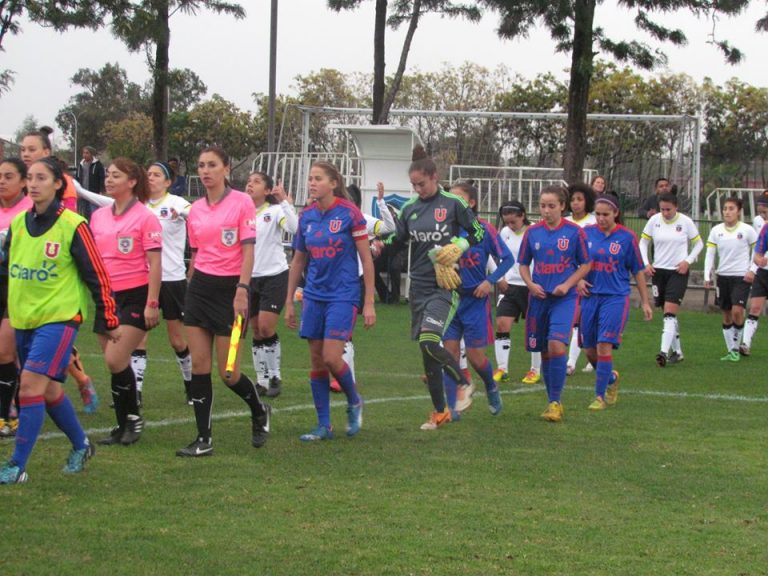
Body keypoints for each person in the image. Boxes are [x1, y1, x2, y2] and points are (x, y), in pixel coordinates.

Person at [0, 157, 119, 484]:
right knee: (49, 391)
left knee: (28, 387)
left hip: (59, 318)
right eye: (31, 178)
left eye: (42, 178)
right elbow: (7, 270)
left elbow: (97, 275)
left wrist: (108, 316)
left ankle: (16, 466)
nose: (34, 183)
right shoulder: (20, 226)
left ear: (57, 184)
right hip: (24, 319)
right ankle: (82, 445)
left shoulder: (74, 225)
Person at [177, 146, 271, 457]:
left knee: (228, 371)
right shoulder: (196, 209)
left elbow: (248, 250)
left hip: (232, 292)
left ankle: (259, 411)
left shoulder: (242, 203)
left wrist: (243, 290)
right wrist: (189, 286)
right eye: (201, 165)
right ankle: (203, 439)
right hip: (200, 290)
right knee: (199, 368)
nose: (205, 171)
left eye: (212, 165)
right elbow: (198, 253)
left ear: (226, 168)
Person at [385, 147, 484, 430]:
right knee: (427, 351)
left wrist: (460, 245)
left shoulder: (453, 203)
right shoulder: (410, 208)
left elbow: (477, 231)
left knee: (430, 341)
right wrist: (379, 246)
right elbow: (398, 240)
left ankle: (464, 384)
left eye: (422, 184)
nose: (418, 189)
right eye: (413, 185)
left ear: (434, 177)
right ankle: (440, 411)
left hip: (444, 284)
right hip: (418, 285)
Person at [284, 162, 375, 441]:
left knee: (332, 357)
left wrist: (369, 301)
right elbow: (298, 260)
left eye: (318, 178)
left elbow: (366, 259)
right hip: (313, 295)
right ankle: (324, 425)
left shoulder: (350, 213)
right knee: (316, 360)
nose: (312, 183)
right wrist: (289, 300)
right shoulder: (307, 216)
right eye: (310, 178)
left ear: (333, 183)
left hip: (343, 295)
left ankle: (354, 400)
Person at [20, 128, 99, 411]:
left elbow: (67, 220)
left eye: (32, 149)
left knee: (48, 345)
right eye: (23, 149)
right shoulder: (18, 182)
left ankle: (76, 380)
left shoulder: (60, 185)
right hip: (24, 282)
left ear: (46, 153)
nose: (26, 154)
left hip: (53, 280)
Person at [90, 158, 162, 446]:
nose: (108, 179)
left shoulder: (146, 217)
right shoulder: (98, 217)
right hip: (106, 297)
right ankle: (123, 424)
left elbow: (155, 263)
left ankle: (132, 418)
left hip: (135, 294)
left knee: (115, 357)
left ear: (132, 181)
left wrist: (152, 303)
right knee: (115, 365)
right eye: (107, 175)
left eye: (115, 175)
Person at [518, 185, 591, 422]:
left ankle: (556, 402)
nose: (546, 210)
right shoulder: (532, 232)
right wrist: (530, 284)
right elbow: (523, 264)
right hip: (539, 298)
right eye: (542, 205)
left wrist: (568, 284)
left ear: (562, 206)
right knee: (545, 352)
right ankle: (552, 401)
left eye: (551, 206)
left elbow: (586, 265)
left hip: (564, 299)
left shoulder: (573, 232)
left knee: (557, 346)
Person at [441, 182, 513, 417]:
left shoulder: (484, 229)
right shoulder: (444, 229)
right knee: (449, 354)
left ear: (471, 203)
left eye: (458, 199)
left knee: (474, 357)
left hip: (475, 301)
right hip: (450, 300)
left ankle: (491, 387)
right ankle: (453, 406)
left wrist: (489, 281)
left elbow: (508, 260)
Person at [578, 193, 653, 410]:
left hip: (615, 298)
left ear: (616, 214)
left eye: (606, 214)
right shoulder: (585, 234)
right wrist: (579, 280)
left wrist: (645, 302)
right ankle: (610, 377)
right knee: (589, 351)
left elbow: (638, 270)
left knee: (603, 346)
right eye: (598, 214)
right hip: (590, 298)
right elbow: (574, 262)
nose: (601, 218)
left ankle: (599, 396)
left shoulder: (627, 237)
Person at [133, 162, 193, 404]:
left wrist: (184, 214)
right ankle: (134, 392)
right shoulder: (139, 205)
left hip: (172, 279)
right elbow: (108, 204)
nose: (151, 178)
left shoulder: (176, 203)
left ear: (168, 182)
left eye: (157, 175)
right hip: (144, 279)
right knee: (138, 337)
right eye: (148, 174)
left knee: (177, 339)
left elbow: (199, 212)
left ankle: (191, 384)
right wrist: (78, 190)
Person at [328, 181, 395, 393]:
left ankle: (346, 378)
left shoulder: (361, 218)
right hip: (329, 282)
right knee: (330, 332)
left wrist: (382, 202)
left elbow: (389, 228)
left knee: (344, 331)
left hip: (351, 282)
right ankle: (340, 375)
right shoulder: (329, 217)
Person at [247, 171, 298, 399]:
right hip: (249, 278)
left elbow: (294, 228)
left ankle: (275, 376)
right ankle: (261, 380)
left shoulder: (275, 211)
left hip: (274, 275)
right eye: (249, 181)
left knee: (267, 328)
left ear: (267, 191)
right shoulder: (242, 212)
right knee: (256, 330)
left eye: (256, 182)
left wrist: (286, 202)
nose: (250, 184)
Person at [639, 193, 703, 367]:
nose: (665, 212)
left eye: (668, 209)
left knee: (669, 311)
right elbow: (643, 242)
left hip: (677, 272)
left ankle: (663, 352)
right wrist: (646, 263)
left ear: (676, 207)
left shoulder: (685, 222)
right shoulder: (654, 221)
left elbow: (699, 244)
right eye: (662, 209)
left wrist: (687, 261)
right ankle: (678, 352)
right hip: (659, 272)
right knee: (666, 312)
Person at [489, 201, 542, 385]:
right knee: (502, 323)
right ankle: (502, 368)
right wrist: (500, 277)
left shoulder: (536, 232)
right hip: (510, 286)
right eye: (507, 222)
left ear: (523, 216)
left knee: (535, 329)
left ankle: (535, 370)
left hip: (531, 287)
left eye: (513, 222)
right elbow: (500, 257)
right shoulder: (504, 233)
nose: (510, 226)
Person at [0, 158, 33, 438]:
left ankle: (10, 415)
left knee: (7, 352)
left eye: (8, 176)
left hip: (18, 290)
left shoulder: (29, 213)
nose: (1, 181)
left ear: (23, 181)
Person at [704, 197, 756, 361]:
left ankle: (736, 347)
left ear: (739, 211)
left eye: (731, 208)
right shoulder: (716, 230)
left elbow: (758, 250)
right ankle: (731, 350)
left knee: (737, 311)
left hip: (741, 276)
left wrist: (752, 270)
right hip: (722, 276)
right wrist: (707, 275)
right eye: (725, 208)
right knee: (726, 314)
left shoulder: (747, 230)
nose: (727, 211)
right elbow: (710, 254)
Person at [565, 182, 597, 375]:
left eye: (580, 199)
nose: (575, 203)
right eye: (572, 199)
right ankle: (571, 361)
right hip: (568, 277)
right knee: (573, 320)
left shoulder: (594, 222)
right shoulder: (565, 223)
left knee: (585, 320)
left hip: (590, 276)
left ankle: (579, 360)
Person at [740, 190, 768, 355]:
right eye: (760, 212)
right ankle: (745, 344)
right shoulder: (762, 225)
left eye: (765, 212)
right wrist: (756, 263)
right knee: (755, 307)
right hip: (763, 274)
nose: (762, 216)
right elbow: (758, 249)